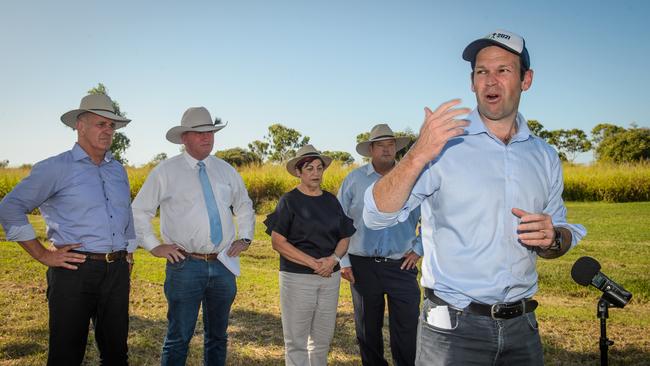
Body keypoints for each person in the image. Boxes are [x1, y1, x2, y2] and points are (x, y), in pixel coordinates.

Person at [363, 29, 587, 365]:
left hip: (523, 329)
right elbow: (375, 215)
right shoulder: (442, 145)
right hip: (452, 332)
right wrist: (417, 154)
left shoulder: (544, 156)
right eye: (482, 72)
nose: (490, 81)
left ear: (526, 80)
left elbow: (561, 234)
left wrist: (553, 238)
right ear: (472, 83)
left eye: (503, 71)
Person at [0, 94, 136, 365]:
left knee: (117, 354)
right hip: (75, 271)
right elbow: (9, 207)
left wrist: (129, 253)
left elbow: (125, 214)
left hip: (117, 272)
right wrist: (43, 255)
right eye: (101, 124)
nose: (108, 131)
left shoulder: (117, 170)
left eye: (111, 126)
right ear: (80, 125)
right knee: (66, 354)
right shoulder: (56, 168)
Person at [131, 106, 254, 366]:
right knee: (179, 337)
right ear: (184, 137)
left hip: (223, 264)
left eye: (210, 131)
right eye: (199, 132)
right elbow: (139, 211)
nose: (206, 137)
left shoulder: (225, 170)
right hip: (185, 265)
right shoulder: (166, 171)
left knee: (218, 337)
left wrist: (245, 237)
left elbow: (243, 204)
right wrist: (154, 246)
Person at [337, 124, 422, 366]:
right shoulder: (354, 180)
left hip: (402, 266)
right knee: (367, 330)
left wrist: (419, 247)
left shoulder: (413, 179)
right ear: (371, 150)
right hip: (362, 266)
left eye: (391, 144)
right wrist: (343, 261)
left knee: (407, 329)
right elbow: (339, 220)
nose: (387, 149)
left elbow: (435, 216)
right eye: (381, 145)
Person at [264, 144, 356, 366]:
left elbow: (345, 235)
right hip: (297, 279)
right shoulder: (289, 201)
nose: (316, 173)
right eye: (309, 168)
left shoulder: (331, 201)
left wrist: (333, 260)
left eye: (319, 168)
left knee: (322, 339)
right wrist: (314, 263)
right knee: (296, 340)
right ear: (298, 172)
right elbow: (278, 242)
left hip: (329, 279)